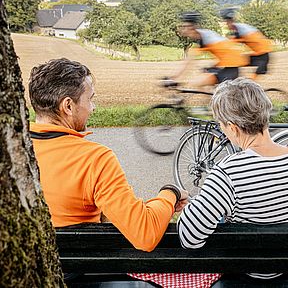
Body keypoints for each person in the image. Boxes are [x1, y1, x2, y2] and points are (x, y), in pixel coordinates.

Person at [28, 58, 189, 253]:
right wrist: (170, 192)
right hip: (78, 275)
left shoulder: (13, 152)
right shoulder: (94, 159)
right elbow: (145, 234)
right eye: (90, 99)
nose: (93, 108)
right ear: (68, 106)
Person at [177, 78, 288, 283]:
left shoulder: (227, 173)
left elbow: (189, 237)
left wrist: (190, 203)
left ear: (233, 128)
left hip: (246, 276)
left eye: (222, 124)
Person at [171, 11, 248, 87]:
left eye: (184, 27)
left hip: (231, 66)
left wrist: (174, 78)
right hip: (226, 64)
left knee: (198, 83)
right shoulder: (204, 35)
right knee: (202, 78)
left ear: (192, 28)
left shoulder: (203, 38)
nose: (182, 29)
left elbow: (189, 62)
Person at [220, 7, 274, 80]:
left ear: (231, 21)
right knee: (237, 62)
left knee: (240, 66)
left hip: (263, 55)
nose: (226, 25)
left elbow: (231, 43)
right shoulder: (240, 28)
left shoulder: (240, 30)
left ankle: (244, 85)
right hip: (261, 53)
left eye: (227, 22)